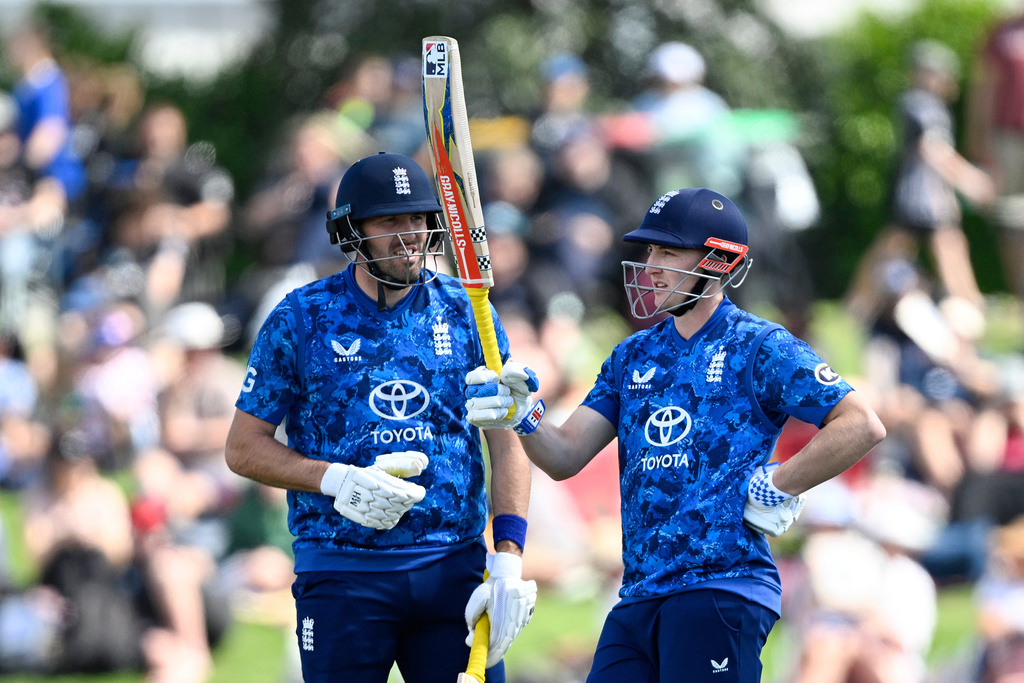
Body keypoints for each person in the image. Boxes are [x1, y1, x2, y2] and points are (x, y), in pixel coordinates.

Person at [464, 187, 886, 682]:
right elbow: (565, 455)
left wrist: (781, 482)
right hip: (639, 594)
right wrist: (522, 416)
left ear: (717, 261)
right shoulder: (631, 356)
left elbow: (861, 423)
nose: (650, 265)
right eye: (648, 251)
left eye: (668, 251)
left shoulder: (760, 345)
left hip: (723, 585)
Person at [224, 151, 536, 683]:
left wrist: (507, 558)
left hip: (452, 568)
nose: (409, 234)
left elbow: (508, 441)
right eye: (391, 221)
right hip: (342, 571)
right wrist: (332, 478)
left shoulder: (469, 310)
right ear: (351, 230)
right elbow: (243, 446)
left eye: (418, 218)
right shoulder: (300, 317)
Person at [847, 40, 995, 325]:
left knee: (947, 246)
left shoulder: (934, 107)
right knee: (896, 252)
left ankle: (971, 306)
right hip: (917, 199)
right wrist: (968, 179)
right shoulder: (918, 104)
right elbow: (933, 150)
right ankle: (857, 306)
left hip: (934, 199)